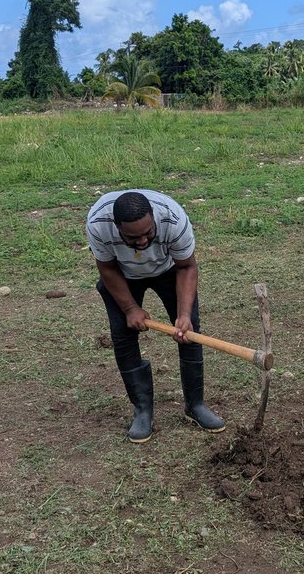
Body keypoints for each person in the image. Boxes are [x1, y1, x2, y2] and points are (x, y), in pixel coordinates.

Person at [86, 189, 225, 443]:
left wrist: (184, 314)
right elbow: (106, 268)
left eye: (148, 233)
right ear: (117, 226)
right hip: (122, 274)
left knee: (190, 332)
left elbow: (187, 266)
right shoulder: (98, 224)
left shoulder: (173, 218)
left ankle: (195, 405)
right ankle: (142, 411)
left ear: (153, 217)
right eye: (133, 237)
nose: (142, 241)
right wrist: (130, 309)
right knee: (124, 337)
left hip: (170, 270)